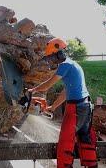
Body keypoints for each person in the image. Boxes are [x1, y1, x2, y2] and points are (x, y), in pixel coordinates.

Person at [29, 38, 97, 168]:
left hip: (76, 108)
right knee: (85, 139)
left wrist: (33, 90)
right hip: (86, 107)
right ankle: (92, 166)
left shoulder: (65, 65)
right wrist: (53, 107)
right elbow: (67, 91)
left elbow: (47, 85)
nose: (52, 61)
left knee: (65, 143)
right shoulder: (74, 65)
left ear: (59, 54)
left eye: (52, 57)